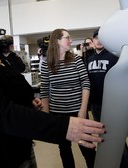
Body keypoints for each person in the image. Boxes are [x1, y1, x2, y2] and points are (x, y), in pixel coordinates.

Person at [0, 0, 105, 168]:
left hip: (19, 146)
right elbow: (1, 111)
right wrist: (64, 127)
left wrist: (28, 101)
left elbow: (13, 85)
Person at [40, 28, 96, 168]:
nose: (70, 40)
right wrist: (46, 116)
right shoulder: (48, 63)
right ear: (57, 41)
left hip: (78, 111)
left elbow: (86, 83)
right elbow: (44, 90)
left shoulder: (76, 59)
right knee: (64, 149)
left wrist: (83, 110)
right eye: (67, 37)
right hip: (58, 114)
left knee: (87, 147)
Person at [86, 28, 128, 168]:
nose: (99, 40)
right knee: (102, 135)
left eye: (101, 38)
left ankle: (126, 164)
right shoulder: (89, 60)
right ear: (93, 41)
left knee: (117, 136)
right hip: (96, 104)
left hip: (112, 104)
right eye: (96, 38)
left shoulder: (115, 57)